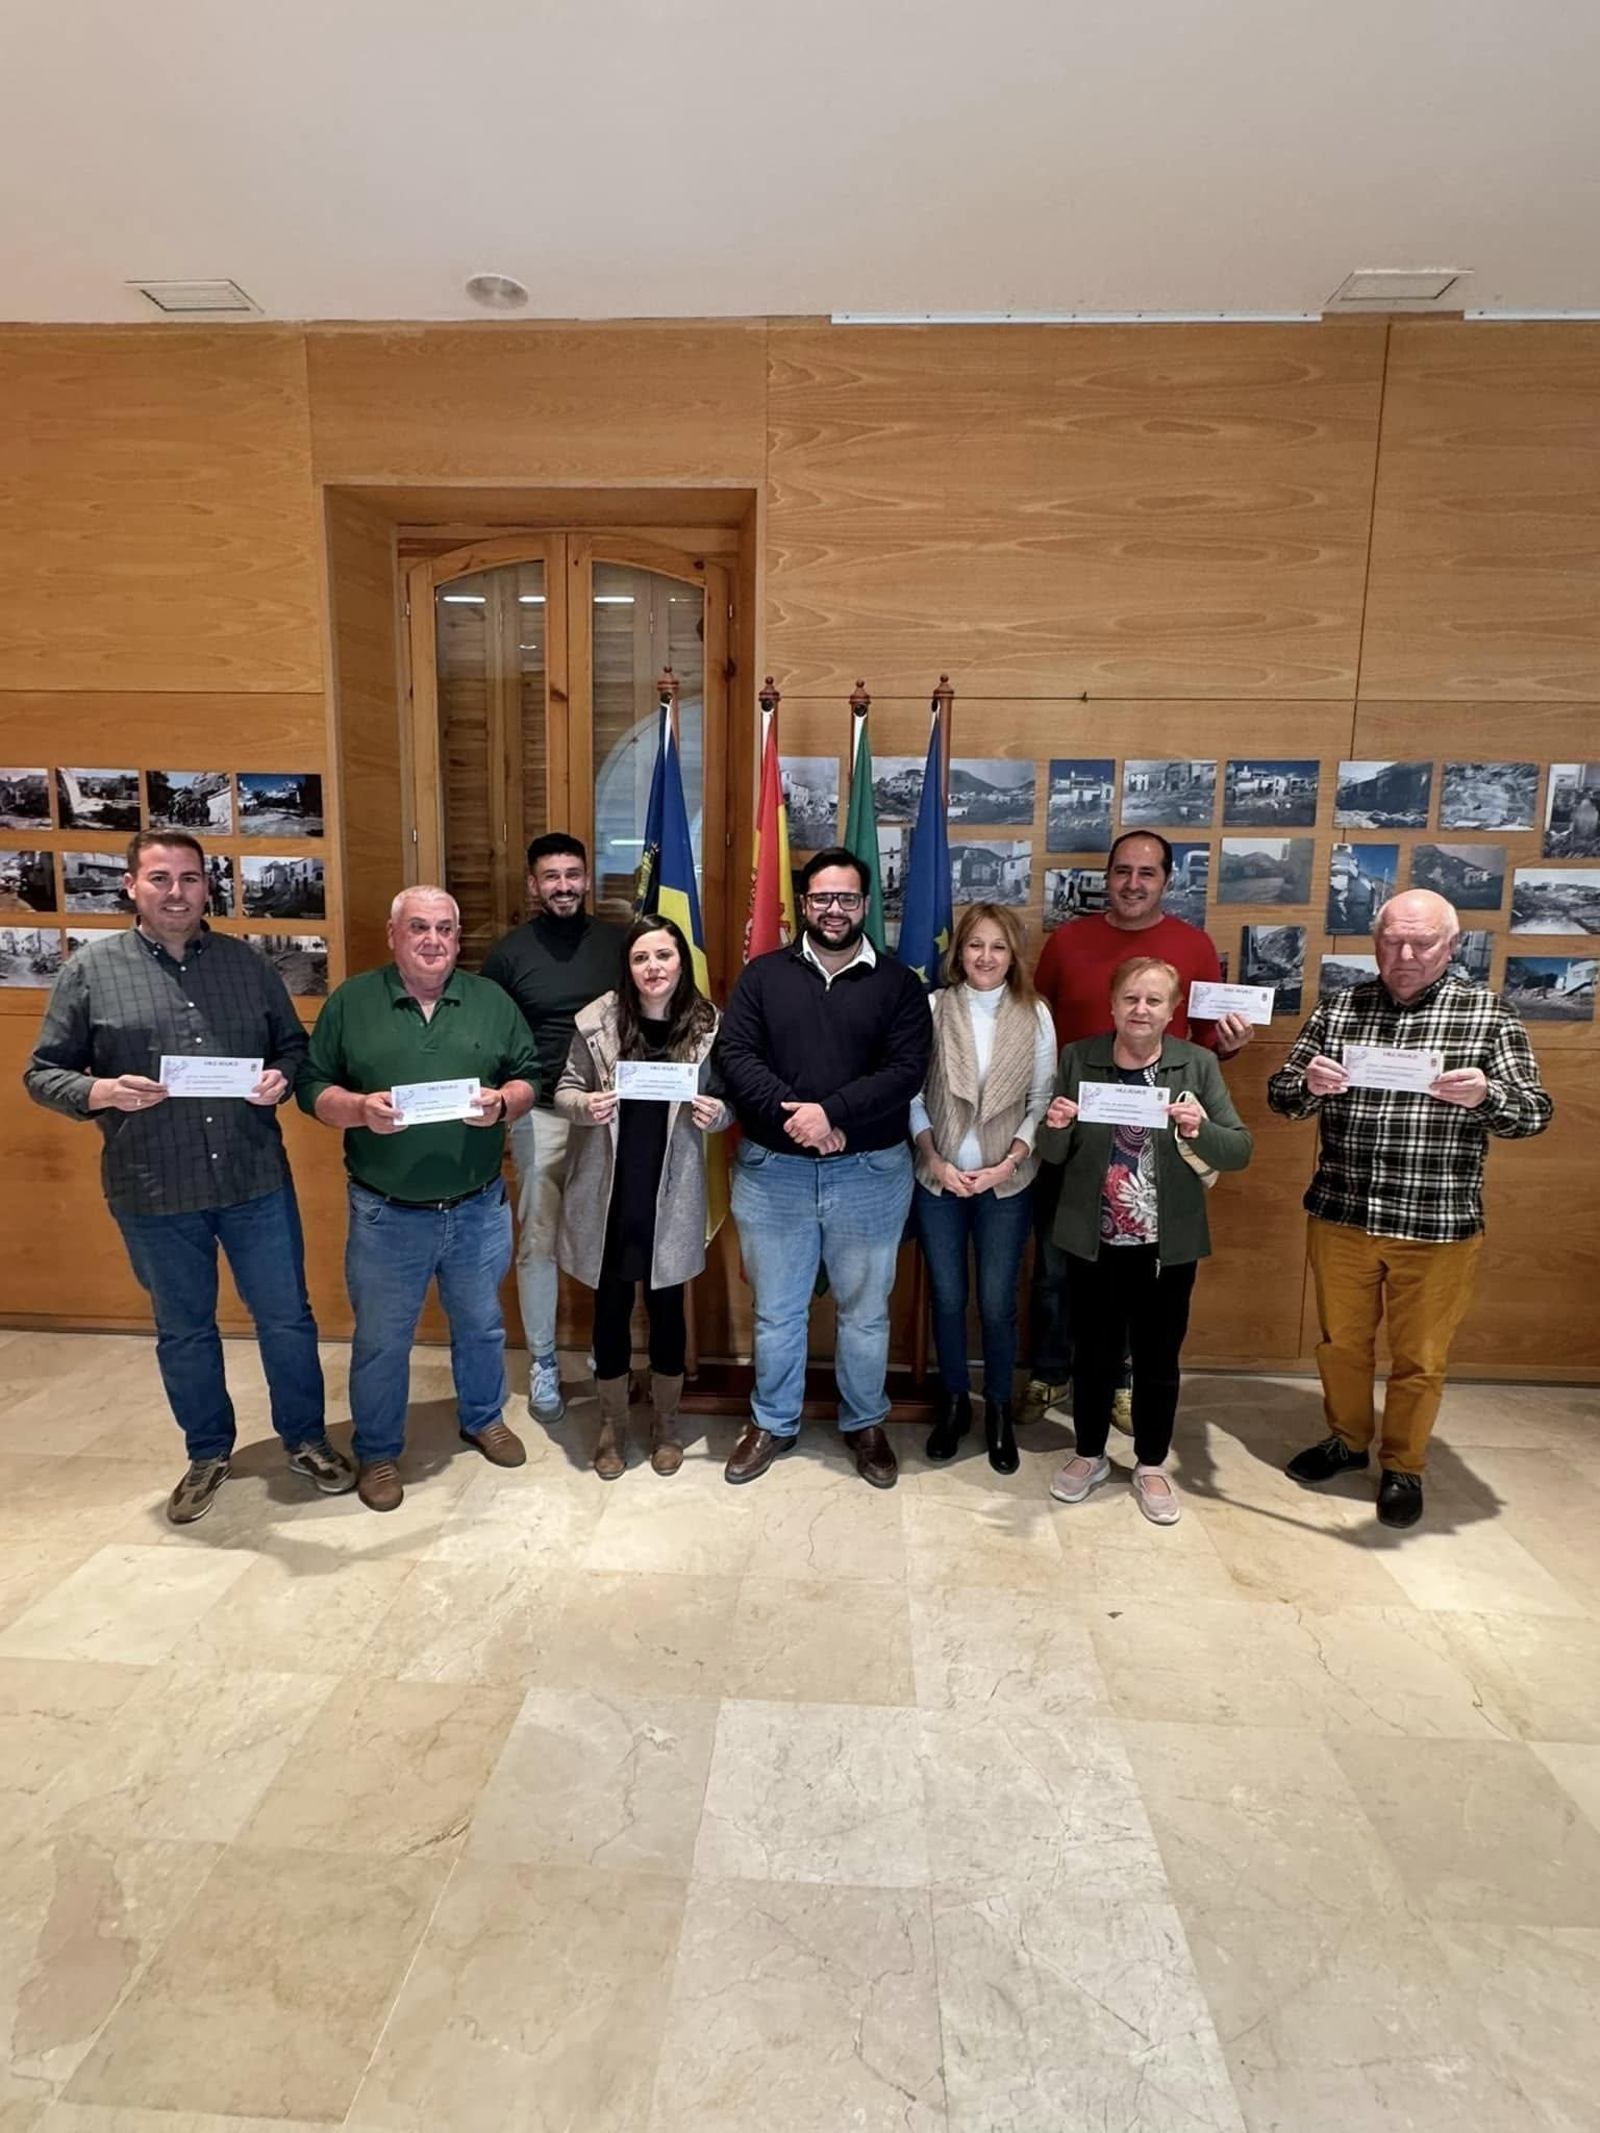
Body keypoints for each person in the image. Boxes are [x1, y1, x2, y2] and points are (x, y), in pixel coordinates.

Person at [23, 831, 349, 1525]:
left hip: (253, 1176)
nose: (177, 892)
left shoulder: (246, 964)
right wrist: (101, 1092)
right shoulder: (91, 970)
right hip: (153, 1186)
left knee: (287, 1318)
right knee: (185, 1328)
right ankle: (207, 1450)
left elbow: (294, 1045)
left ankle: (305, 1437)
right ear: (131, 886)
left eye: (191, 878)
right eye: (161, 878)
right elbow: (42, 1072)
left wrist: (281, 1076)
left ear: (209, 886)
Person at [1268, 889, 1552, 1527]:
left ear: (1451, 946)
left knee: (1420, 1356)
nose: (1404, 955)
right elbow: (1282, 1094)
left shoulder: (1489, 1016)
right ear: (1374, 943)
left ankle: (1403, 1464)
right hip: (1342, 1213)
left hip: (1438, 1224)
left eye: (1421, 943)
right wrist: (1307, 1086)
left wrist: (1487, 1094)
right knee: (1342, 1344)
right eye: (1391, 941)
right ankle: (1346, 1440)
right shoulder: (1341, 1008)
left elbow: (1535, 1113)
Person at [300, 886, 539, 1512]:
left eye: (445, 929)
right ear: (393, 934)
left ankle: (483, 1417)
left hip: (478, 1205)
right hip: (386, 1213)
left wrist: (505, 1103)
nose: (433, 941)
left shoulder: (490, 1001)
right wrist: (356, 1109)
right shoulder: (353, 1002)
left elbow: (528, 1075)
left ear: (459, 939)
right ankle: (378, 1451)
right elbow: (310, 1087)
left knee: (482, 1325)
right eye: (418, 928)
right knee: (382, 1339)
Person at [716, 846, 931, 1488]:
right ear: (803, 905)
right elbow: (736, 1055)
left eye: (847, 898)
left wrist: (832, 1113)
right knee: (777, 1312)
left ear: (866, 905)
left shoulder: (898, 984)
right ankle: (773, 1421)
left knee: (865, 1311)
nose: (834, 909)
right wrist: (800, 1120)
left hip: (869, 1172)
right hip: (772, 1171)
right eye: (821, 898)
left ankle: (864, 1422)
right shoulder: (761, 976)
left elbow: (905, 1072)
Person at [1026, 830, 1254, 1427]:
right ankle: (1052, 1374)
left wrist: (1229, 1048)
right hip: (1072, 1129)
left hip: (1151, 1159)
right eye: (1122, 871)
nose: (1132, 883)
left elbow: (1200, 1053)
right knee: (1057, 1270)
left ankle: (1121, 1384)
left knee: (1141, 1279)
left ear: (1166, 881)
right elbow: (1036, 1025)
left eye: (1146, 873)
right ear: (1107, 875)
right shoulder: (1066, 942)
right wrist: (1053, 1115)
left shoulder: (1194, 945)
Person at [1038, 955, 1252, 1523]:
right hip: (1093, 1239)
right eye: (1131, 998)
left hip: (1166, 1246)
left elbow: (1240, 1149)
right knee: (1094, 1354)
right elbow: (1053, 1155)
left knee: (1158, 1358)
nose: (1141, 1010)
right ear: (1112, 1005)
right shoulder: (1078, 1057)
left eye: (1154, 1000)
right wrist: (1054, 1126)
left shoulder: (1197, 1064)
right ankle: (1088, 1455)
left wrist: (1198, 1128)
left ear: (1172, 1009)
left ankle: (1152, 1464)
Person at [554, 915, 730, 1479]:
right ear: (627, 967)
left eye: (664, 956)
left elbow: (730, 1101)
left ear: (682, 962)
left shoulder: (709, 1026)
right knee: (609, 1308)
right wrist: (586, 1107)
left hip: (670, 1190)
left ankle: (667, 1424)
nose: (653, 968)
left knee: (667, 1309)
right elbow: (563, 1090)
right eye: (641, 958)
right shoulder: (597, 1022)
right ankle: (613, 1425)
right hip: (610, 1189)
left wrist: (718, 1113)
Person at [482, 834, 627, 1425]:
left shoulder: (620, 946)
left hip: (608, 1115)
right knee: (538, 1241)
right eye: (551, 876)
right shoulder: (510, 954)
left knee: (607, 1240)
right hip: (541, 1115)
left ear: (588, 879)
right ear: (533, 885)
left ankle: (606, 1349)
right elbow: (489, 1035)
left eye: (573, 874)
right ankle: (543, 1358)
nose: (563, 885)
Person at [910, 903, 1055, 1474]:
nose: (986, 957)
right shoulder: (932, 1008)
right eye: (975, 945)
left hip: (1007, 1183)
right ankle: (953, 1404)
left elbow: (1042, 1102)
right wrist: (933, 1157)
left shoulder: (1036, 1014)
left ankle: (996, 1407)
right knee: (947, 1298)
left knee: (996, 1304)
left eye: (998, 947)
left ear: (1012, 955)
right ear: (959, 951)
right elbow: (912, 1093)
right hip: (937, 1177)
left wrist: (1008, 1163)